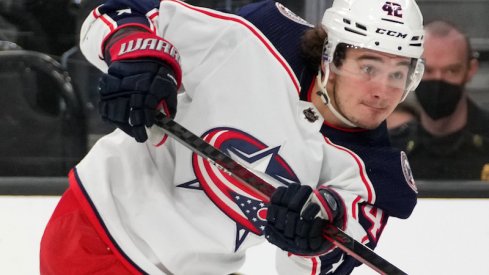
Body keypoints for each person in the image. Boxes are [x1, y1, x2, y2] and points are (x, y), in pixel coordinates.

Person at [40, 0, 423, 274]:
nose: (382, 91)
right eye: (368, 66)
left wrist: (312, 240)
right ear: (329, 56)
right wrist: (137, 56)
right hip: (98, 229)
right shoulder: (261, 39)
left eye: (398, 73)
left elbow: (312, 267)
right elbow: (116, 13)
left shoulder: (376, 175)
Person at [389, 20, 489, 180]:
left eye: (451, 70)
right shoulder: (391, 151)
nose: (438, 80)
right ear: (412, 70)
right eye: (428, 70)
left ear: (471, 70)